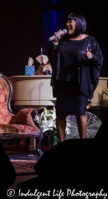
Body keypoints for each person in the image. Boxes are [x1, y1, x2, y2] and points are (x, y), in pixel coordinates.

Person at [48, 12, 104, 142]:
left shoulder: (90, 40)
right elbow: (53, 58)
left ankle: (82, 144)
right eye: (67, 21)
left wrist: (91, 57)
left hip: (80, 84)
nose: (67, 24)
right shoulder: (62, 40)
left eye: (70, 21)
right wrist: (55, 44)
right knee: (60, 114)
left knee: (80, 113)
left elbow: (99, 59)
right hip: (63, 83)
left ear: (79, 23)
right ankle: (62, 144)